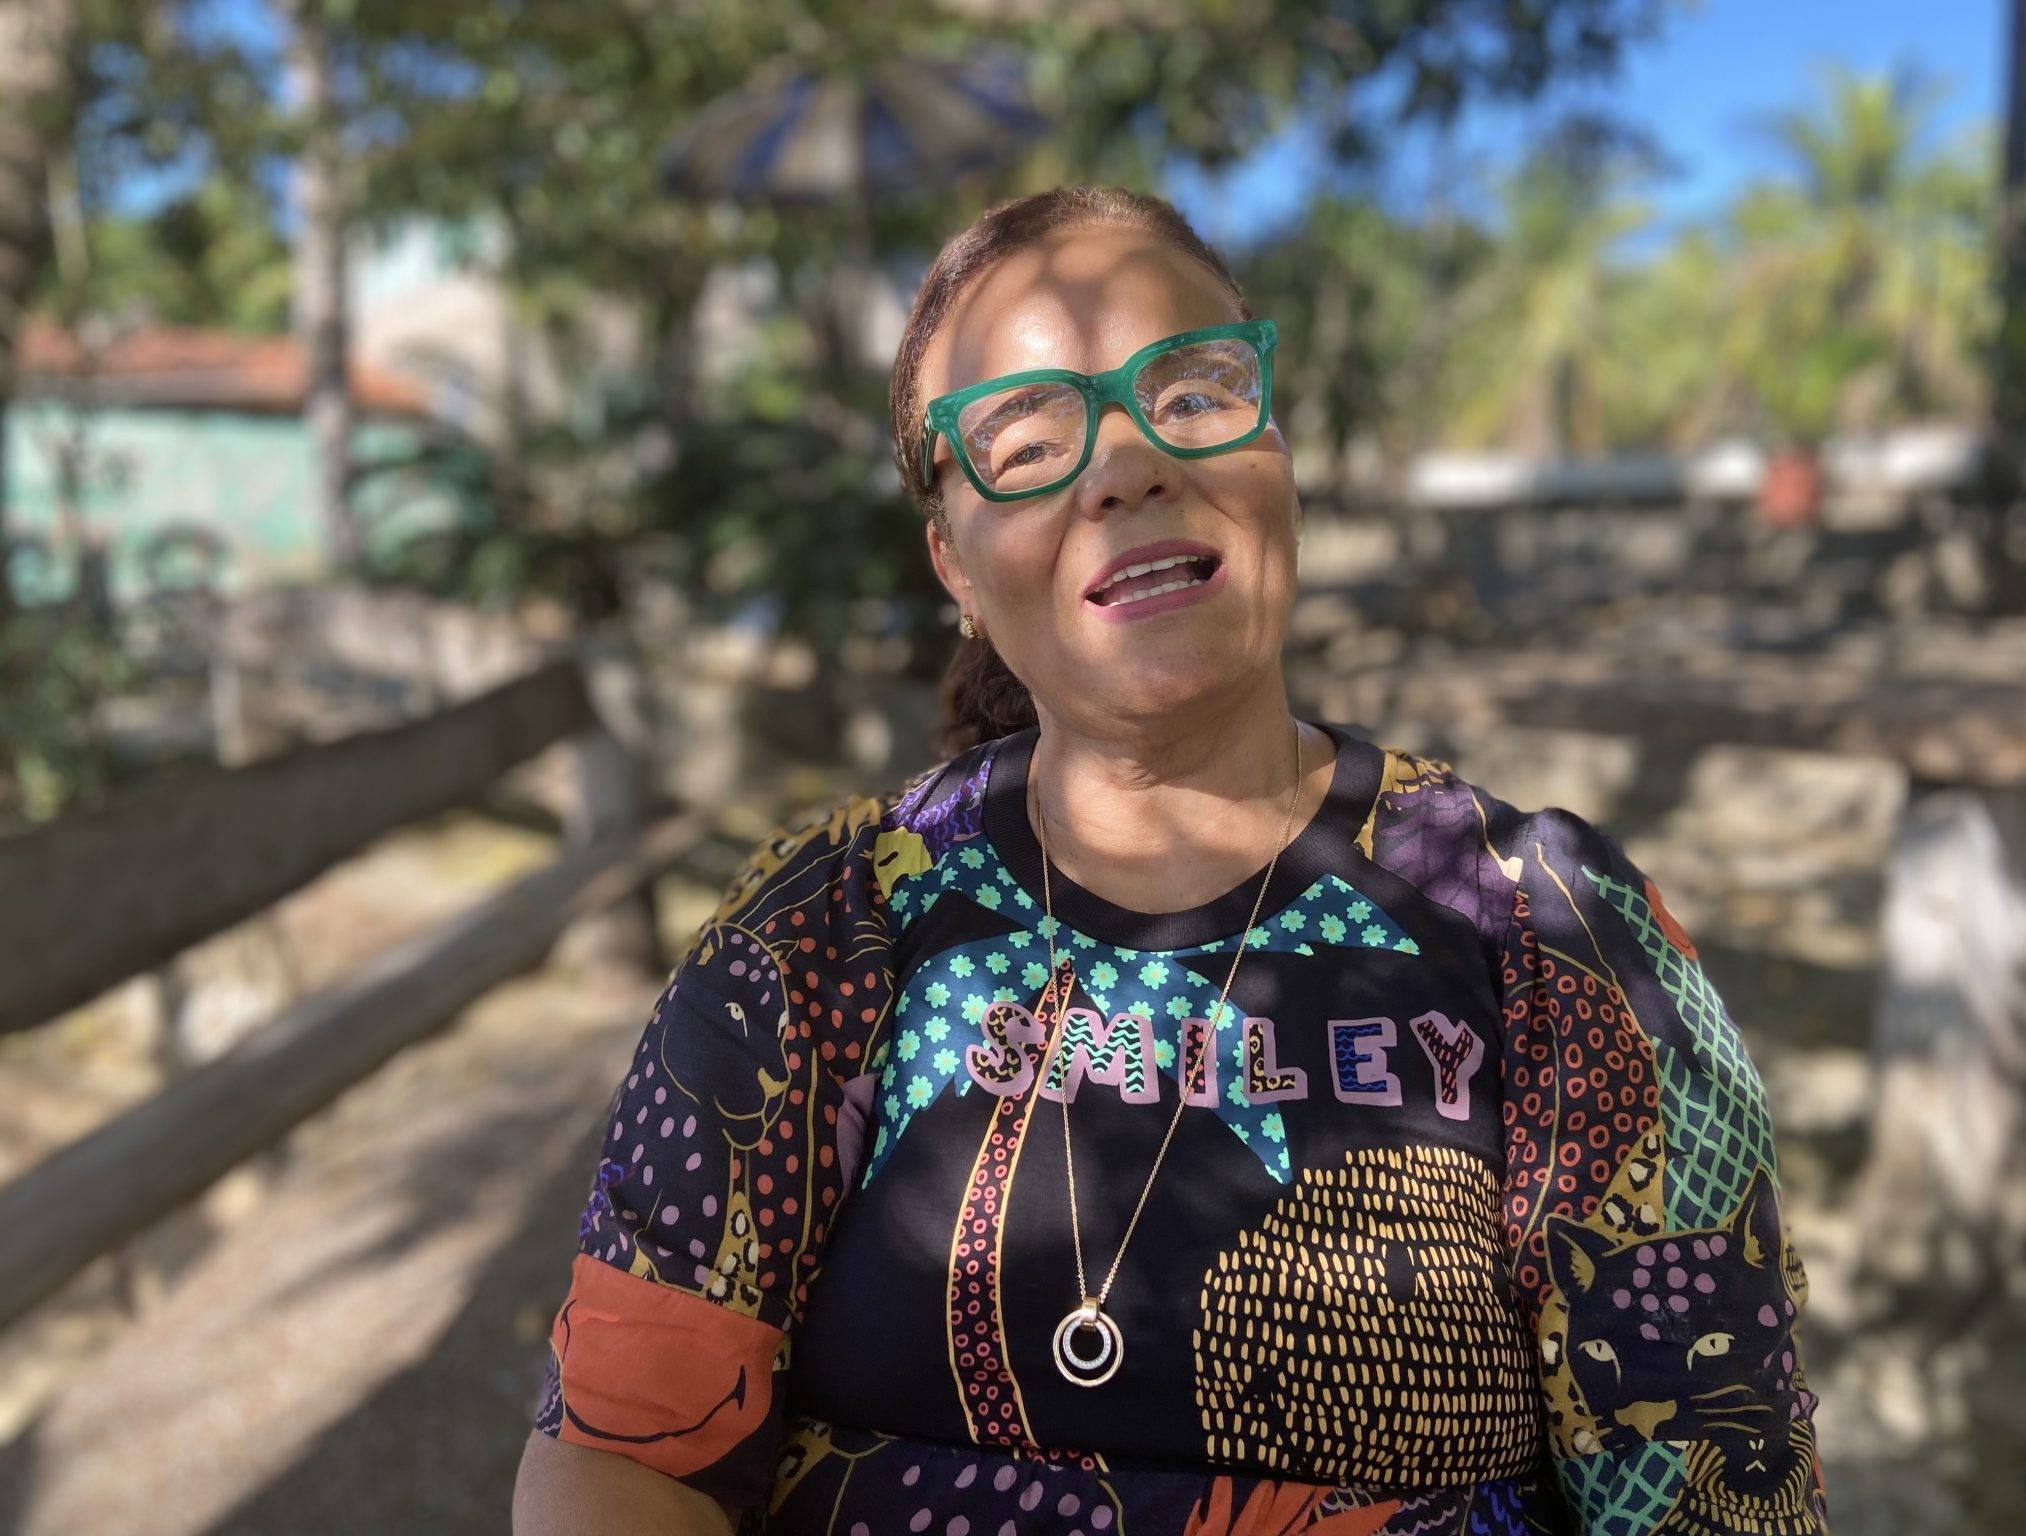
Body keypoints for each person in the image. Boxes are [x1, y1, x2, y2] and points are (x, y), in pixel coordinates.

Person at [512, 185, 1827, 1535]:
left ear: (1278, 460)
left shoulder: (1551, 929)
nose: (1128, 466)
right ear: (953, 563)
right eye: (1028, 440)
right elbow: (625, 1448)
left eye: (1193, 393)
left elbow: (1710, 1483)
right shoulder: (818, 930)